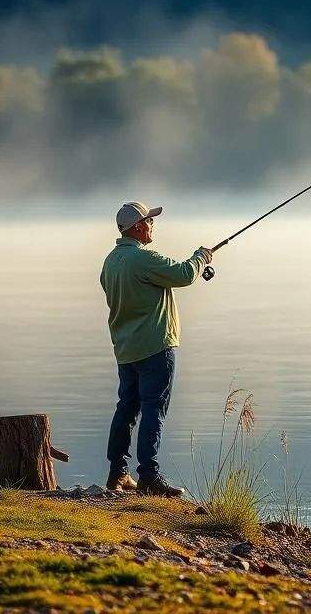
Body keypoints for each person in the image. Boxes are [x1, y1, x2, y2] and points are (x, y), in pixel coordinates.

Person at [100, 201, 213, 497]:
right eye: (149, 221)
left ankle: (118, 473)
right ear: (137, 227)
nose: (153, 225)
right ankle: (149, 475)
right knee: (154, 409)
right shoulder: (143, 258)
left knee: (126, 409)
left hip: (126, 350)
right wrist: (202, 256)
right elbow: (185, 274)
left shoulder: (110, 262)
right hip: (155, 347)